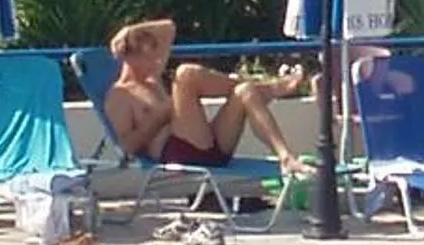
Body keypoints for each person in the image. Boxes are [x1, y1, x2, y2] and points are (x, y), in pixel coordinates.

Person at [103, 18, 311, 172]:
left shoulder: (152, 79)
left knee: (244, 92)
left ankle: (286, 157)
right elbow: (127, 148)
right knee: (185, 74)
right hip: (179, 153)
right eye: (149, 57)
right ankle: (269, 88)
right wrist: (160, 115)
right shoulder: (120, 95)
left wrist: (129, 31)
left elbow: (169, 28)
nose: (157, 62)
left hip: (209, 148)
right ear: (130, 58)